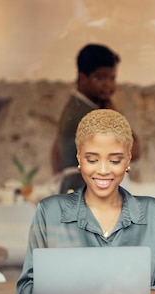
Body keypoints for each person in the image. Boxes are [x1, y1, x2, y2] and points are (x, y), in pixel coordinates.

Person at [17, 109, 155, 294]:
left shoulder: (154, 214)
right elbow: (27, 292)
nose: (103, 170)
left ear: (128, 159)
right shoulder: (50, 212)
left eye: (115, 160)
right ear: (78, 157)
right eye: (92, 160)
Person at [51, 43, 139, 194]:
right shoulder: (89, 114)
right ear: (83, 78)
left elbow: (55, 153)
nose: (108, 85)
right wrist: (113, 114)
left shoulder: (75, 107)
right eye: (100, 78)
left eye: (112, 78)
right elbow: (134, 151)